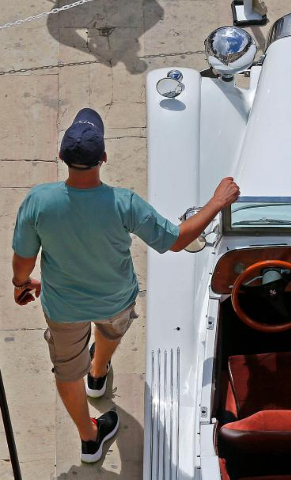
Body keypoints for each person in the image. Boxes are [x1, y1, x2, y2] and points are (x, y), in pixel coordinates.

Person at [10, 108, 240, 463]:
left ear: (61, 157)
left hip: (62, 308)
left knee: (66, 371)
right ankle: (98, 374)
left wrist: (21, 283)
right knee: (109, 333)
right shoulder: (124, 203)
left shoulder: (38, 201)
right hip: (115, 300)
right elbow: (177, 240)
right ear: (104, 157)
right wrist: (217, 202)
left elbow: (23, 259)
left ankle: (90, 439)